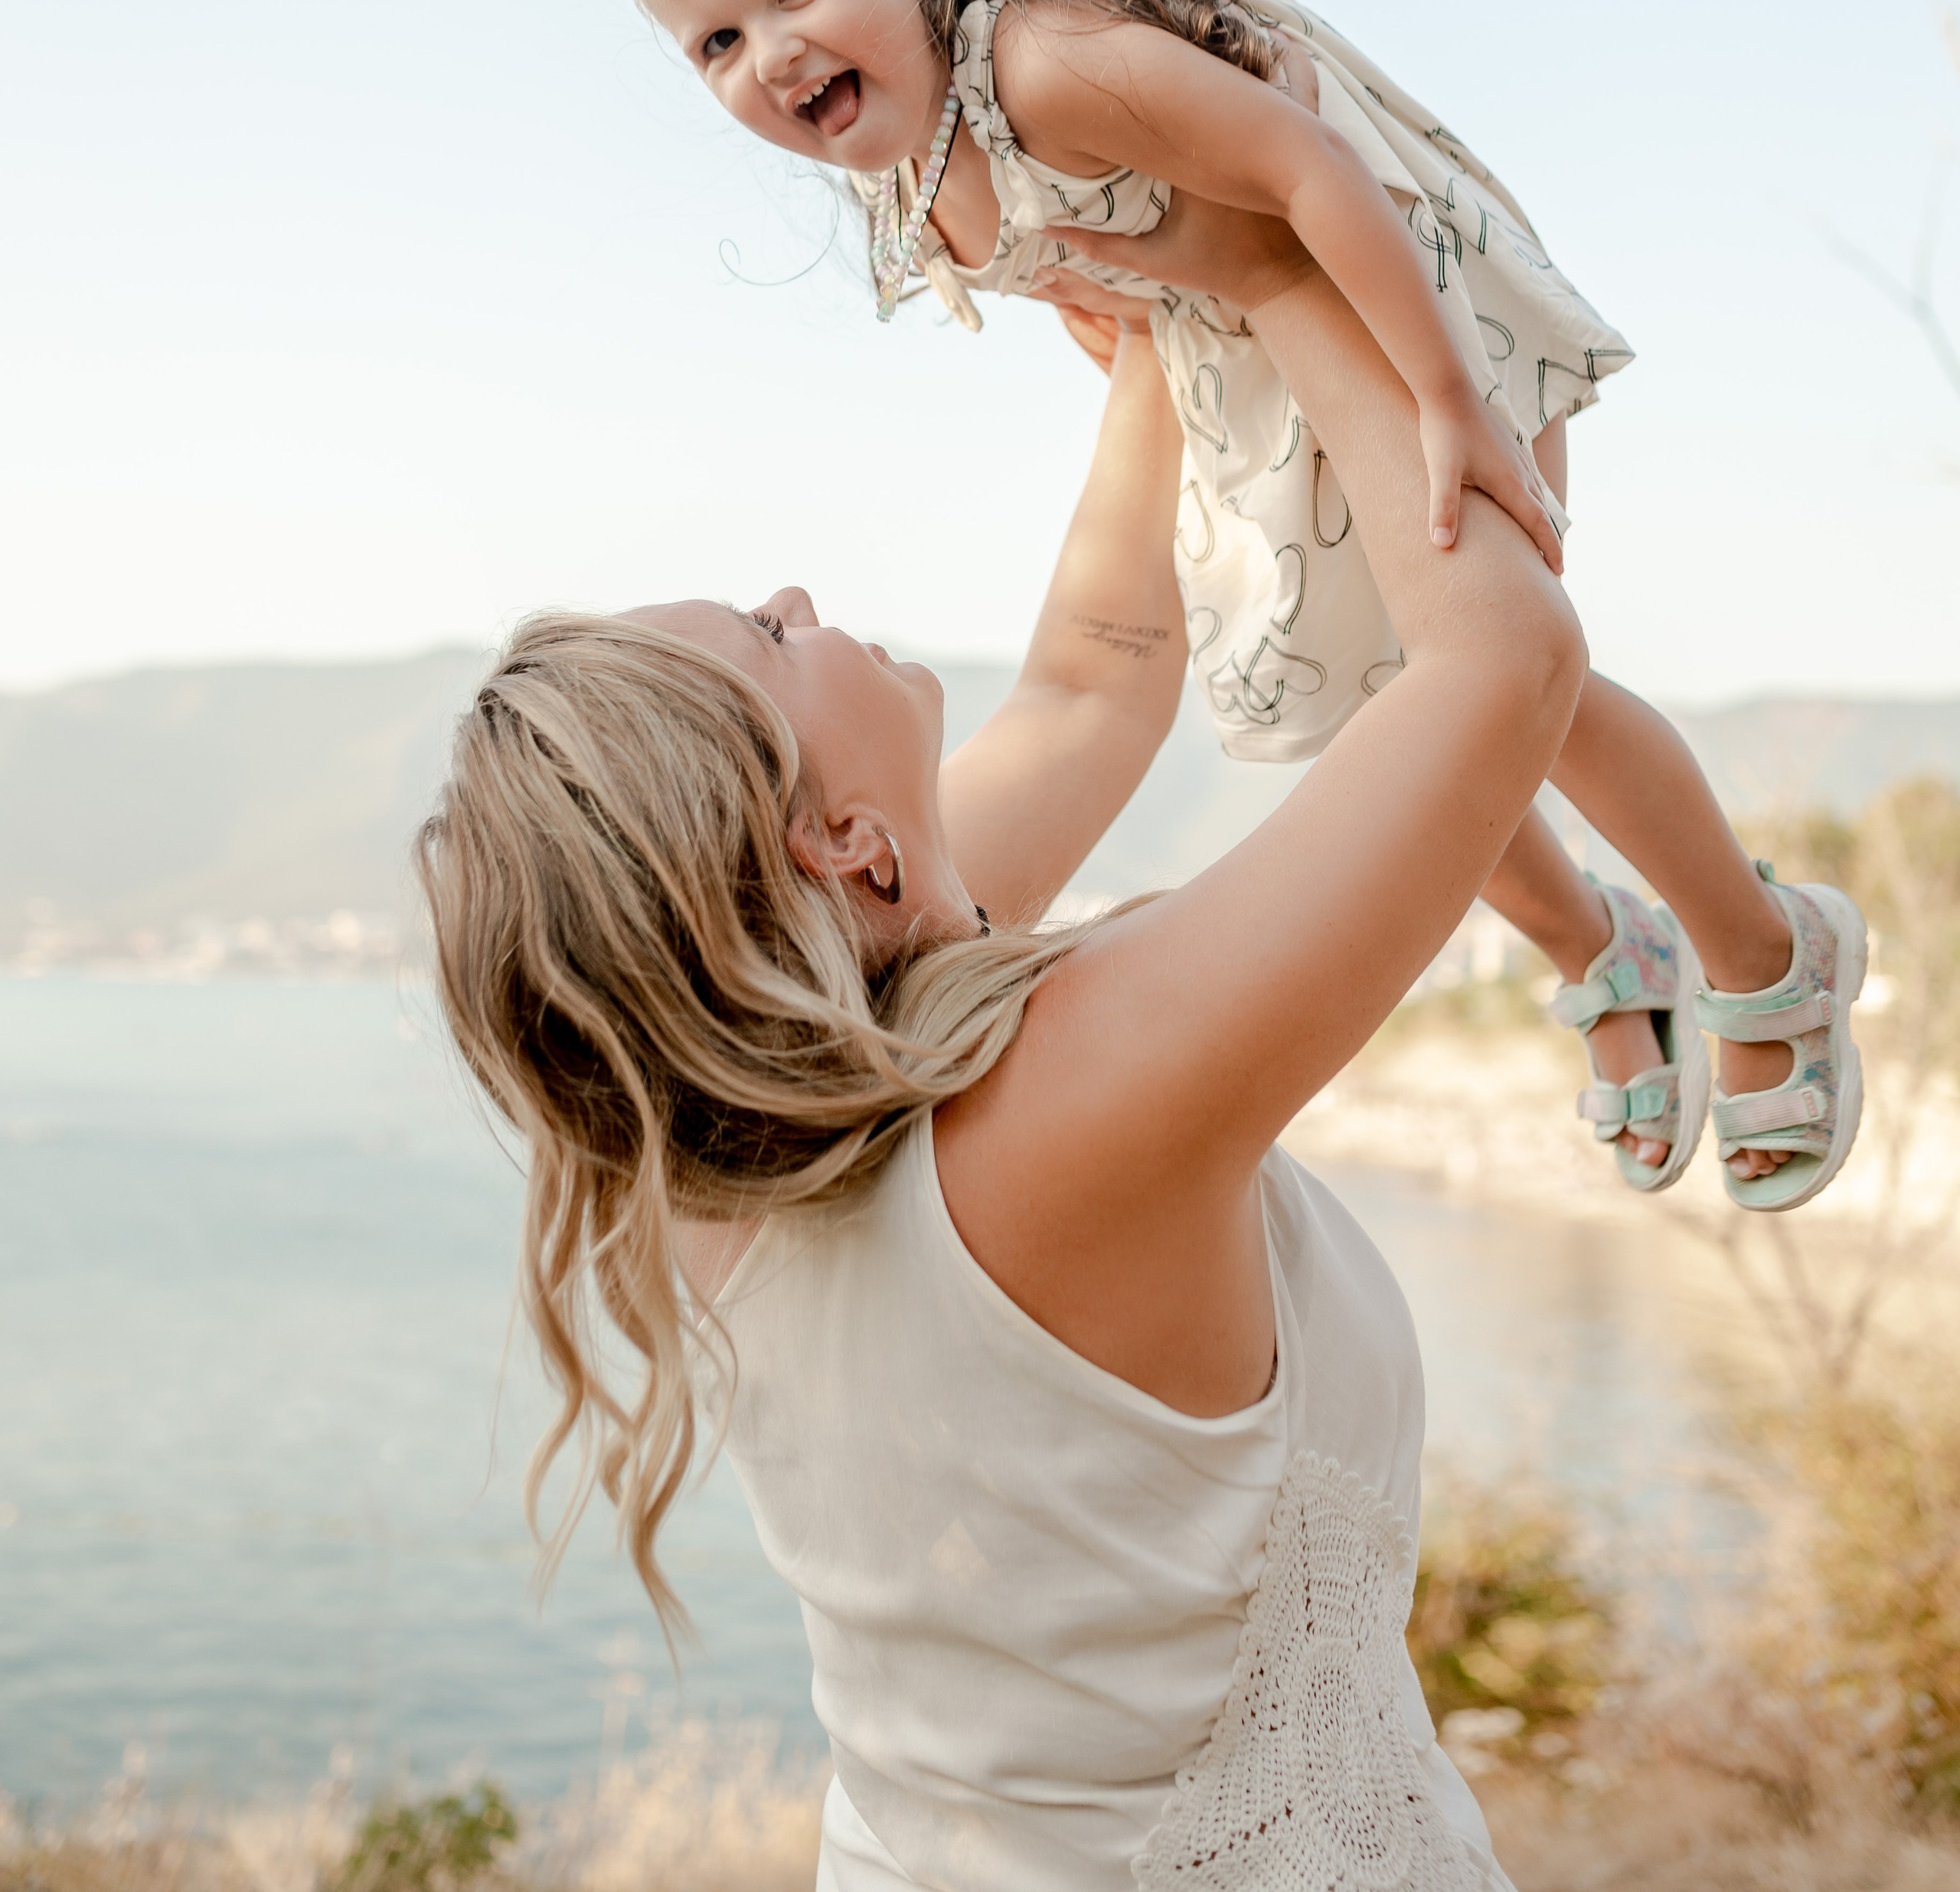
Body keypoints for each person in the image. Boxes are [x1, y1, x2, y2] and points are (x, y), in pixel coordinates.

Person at [422, 199, 1590, 1887]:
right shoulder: (1063, 1094)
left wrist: (1157, 326)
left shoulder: (711, 1158)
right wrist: (1273, 262)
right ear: (842, 846)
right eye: (766, 635)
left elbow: (1098, 680)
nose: (798, 592)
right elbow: (1504, 659)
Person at [608, 0, 1866, 1210]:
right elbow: (1081, 247)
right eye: (716, 38)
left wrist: (1450, 400)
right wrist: (1121, 321)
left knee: (1522, 688)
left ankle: (1767, 948)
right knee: (1381, 729)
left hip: (1386, 291)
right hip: (1244, 352)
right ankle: (1604, 947)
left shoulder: (1041, 64)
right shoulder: (894, 160)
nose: (769, 52)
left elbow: (1310, 168)